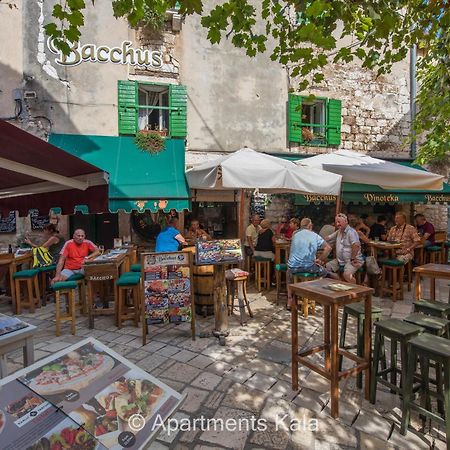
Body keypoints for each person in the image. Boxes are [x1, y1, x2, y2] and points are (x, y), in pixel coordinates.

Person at [287, 218, 332, 309]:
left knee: (288, 273)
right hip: (309, 267)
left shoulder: (295, 234)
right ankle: (316, 296)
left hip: (293, 267)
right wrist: (320, 259)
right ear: (310, 226)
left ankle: (290, 300)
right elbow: (328, 248)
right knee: (324, 272)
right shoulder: (315, 236)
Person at [325, 213, 364, 283]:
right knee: (327, 267)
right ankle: (340, 282)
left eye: (339, 222)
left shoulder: (352, 232)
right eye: (336, 222)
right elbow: (328, 238)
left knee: (347, 275)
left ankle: (356, 291)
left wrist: (353, 258)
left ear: (346, 221)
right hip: (340, 261)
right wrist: (317, 240)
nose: (337, 224)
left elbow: (356, 245)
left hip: (352, 260)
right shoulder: (339, 231)